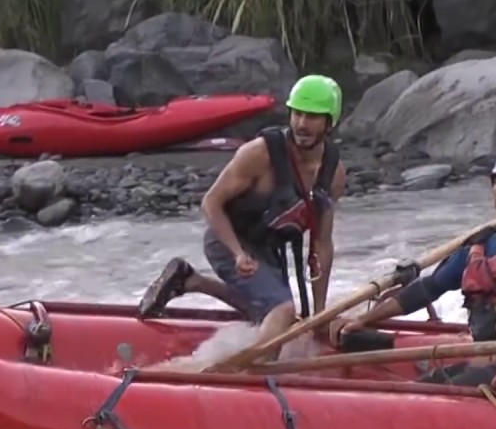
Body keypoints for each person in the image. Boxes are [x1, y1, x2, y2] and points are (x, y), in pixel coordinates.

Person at [329, 149, 496, 391]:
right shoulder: (482, 242)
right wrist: (364, 320)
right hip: (484, 355)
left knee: (450, 391)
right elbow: (429, 288)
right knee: (424, 388)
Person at [137, 75, 348, 357]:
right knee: (283, 310)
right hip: (228, 240)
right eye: (297, 114)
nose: (301, 124)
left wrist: (321, 313)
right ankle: (253, 369)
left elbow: (321, 244)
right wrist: (237, 253)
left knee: (283, 317)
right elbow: (211, 202)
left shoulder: (333, 174)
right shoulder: (259, 154)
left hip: (266, 247)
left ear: (329, 122)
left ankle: (190, 280)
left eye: (312, 117)